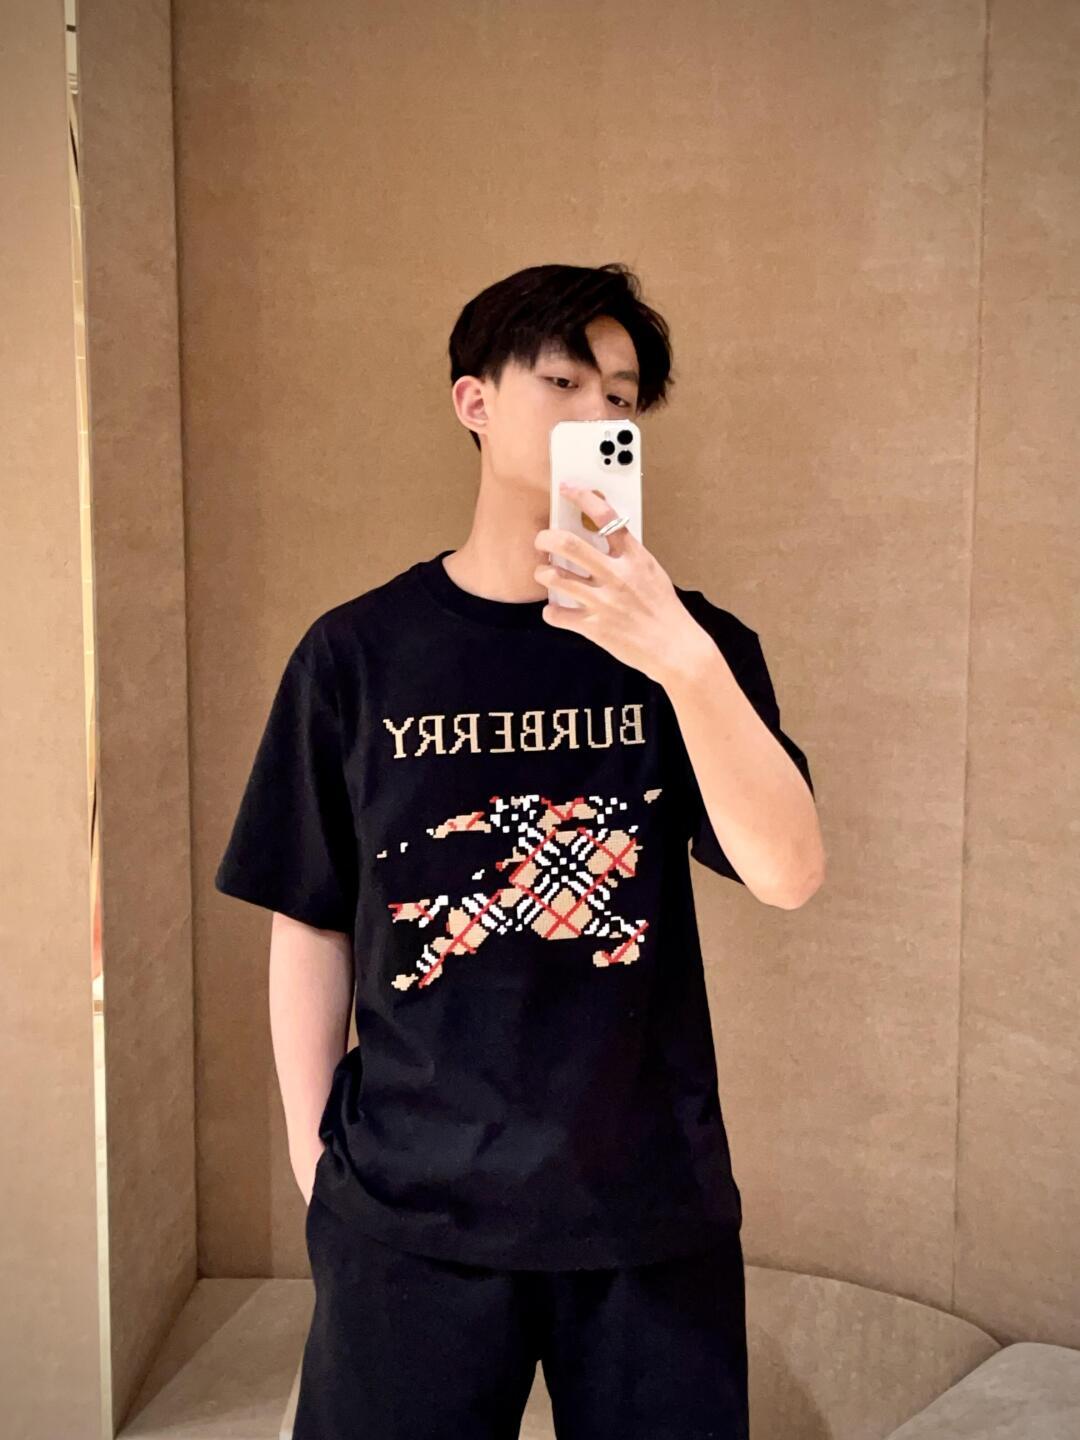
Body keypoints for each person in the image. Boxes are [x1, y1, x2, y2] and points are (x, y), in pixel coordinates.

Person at [215, 261, 824, 1440]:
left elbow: (789, 874)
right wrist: (314, 1159)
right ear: (475, 401)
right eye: (564, 382)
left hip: (648, 1207)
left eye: (623, 397)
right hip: (408, 1209)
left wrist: (677, 656)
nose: (599, 412)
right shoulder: (357, 655)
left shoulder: (693, 649)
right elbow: (311, 910)